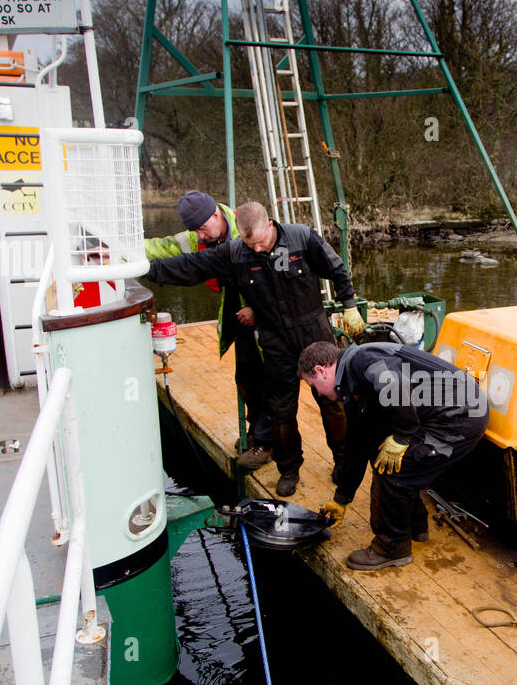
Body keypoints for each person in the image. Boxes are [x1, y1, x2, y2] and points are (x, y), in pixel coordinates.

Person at [145, 201, 366, 497]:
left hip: (313, 333)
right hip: (275, 338)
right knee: (281, 408)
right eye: (251, 244)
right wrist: (148, 268)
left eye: (261, 241)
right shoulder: (236, 252)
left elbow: (337, 270)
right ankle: (289, 468)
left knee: (332, 401)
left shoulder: (302, 238)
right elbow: (191, 267)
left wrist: (350, 305)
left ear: (270, 225)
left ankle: (343, 462)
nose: (258, 249)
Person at [298, 340, 489, 570]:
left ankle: (392, 547)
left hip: (459, 417)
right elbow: (358, 444)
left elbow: (396, 385)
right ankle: (415, 526)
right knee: (383, 454)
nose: (316, 392)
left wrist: (402, 436)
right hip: (440, 415)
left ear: (321, 370)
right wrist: (341, 498)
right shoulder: (350, 382)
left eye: (313, 385)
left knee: (394, 470)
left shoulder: (361, 362)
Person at [144, 191, 273, 469]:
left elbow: (278, 279)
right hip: (237, 311)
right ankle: (256, 432)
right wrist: (120, 253)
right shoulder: (198, 236)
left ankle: (266, 441)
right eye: (196, 231)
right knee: (247, 378)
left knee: (269, 378)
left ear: (216, 214)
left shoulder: (248, 230)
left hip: (265, 312)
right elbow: (161, 248)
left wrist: (258, 311)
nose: (201, 236)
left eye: (203, 228)